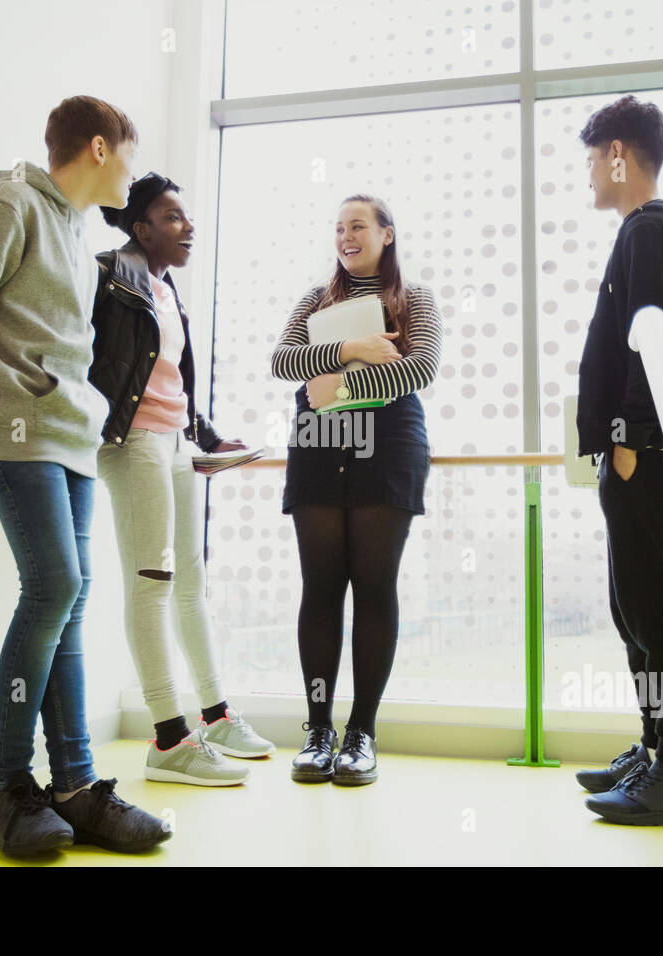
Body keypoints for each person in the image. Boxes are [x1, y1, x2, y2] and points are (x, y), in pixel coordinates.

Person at [0, 95, 170, 856]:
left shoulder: (73, 226)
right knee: (54, 587)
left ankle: (75, 787)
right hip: (14, 429)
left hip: (70, 436)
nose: (135, 170)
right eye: (130, 152)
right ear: (98, 148)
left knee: (70, 599)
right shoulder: (7, 205)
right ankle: (4, 789)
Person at [90, 172, 275, 786]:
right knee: (152, 586)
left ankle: (216, 715)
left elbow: (169, 382)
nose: (188, 227)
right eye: (173, 218)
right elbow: (93, 365)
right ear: (141, 228)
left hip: (174, 444)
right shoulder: (110, 275)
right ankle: (169, 740)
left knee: (190, 581)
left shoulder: (167, 292)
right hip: (133, 444)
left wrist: (211, 436)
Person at [573, 94, 663, 825]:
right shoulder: (643, 231)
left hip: (649, 453)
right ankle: (658, 746)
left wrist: (628, 436)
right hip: (636, 453)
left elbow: (651, 337)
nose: (590, 173)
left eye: (594, 158)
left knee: (660, 608)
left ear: (621, 154)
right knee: (634, 610)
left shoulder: (653, 229)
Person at [271, 194, 442, 786]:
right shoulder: (313, 300)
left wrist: (336, 385)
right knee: (320, 587)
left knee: (373, 588)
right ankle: (318, 732)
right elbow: (284, 362)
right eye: (338, 227)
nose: (346, 236)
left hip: (388, 445)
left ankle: (360, 733)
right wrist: (353, 348)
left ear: (386, 234)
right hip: (318, 446)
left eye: (358, 225)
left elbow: (419, 368)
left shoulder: (414, 298)